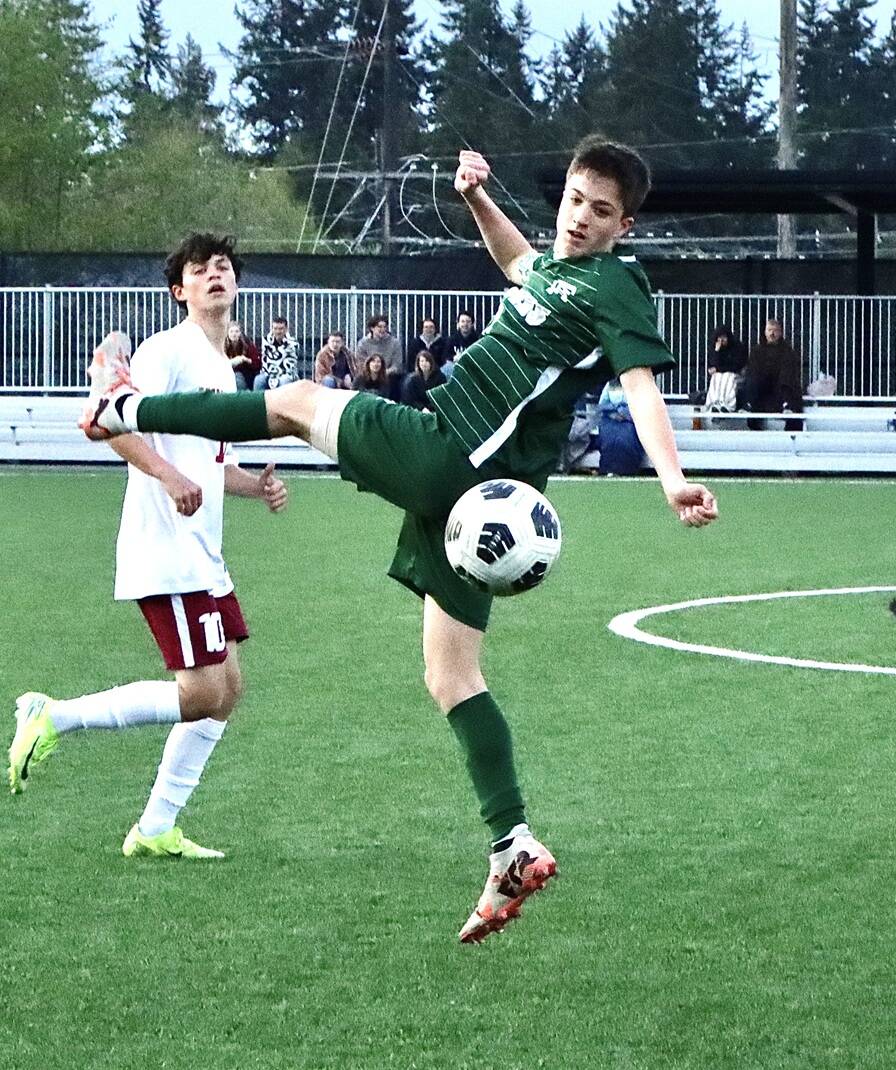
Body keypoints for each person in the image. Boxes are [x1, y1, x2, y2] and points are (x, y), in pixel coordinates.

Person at [80, 136, 719, 943]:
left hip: (449, 448)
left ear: (624, 225)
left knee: (296, 401)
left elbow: (640, 386)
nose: (581, 219)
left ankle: (124, 410)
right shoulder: (556, 275)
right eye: (574, 201)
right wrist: (477, 199)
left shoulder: (619, 286)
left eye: (600, 211)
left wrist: (671, 478)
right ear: (562, 198)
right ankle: (511, 843)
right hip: (478, 512)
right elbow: (516, 258)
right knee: (452, 675)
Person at [9, 234, 288, 863]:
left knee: (228, 689)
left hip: (203, 552)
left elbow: (209, 464)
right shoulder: (168, 350)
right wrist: (167, 476)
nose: (215, 275)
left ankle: (157, 826)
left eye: (223, 267)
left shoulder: (220, 366)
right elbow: (108, 419)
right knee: (200, 694)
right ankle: (53, 715)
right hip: (167, 548)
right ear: (179, 290)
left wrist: (256, 485)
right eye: (200, 269)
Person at [740, 319, 805, 431]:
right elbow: (752, 371)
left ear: (780, 333)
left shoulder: (788, 351)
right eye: (769, 330)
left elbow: (791, 373)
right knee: (753, 378)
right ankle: (749, 405)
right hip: (762, 389)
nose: (772, 334)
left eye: (775, 330)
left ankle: (787, 405)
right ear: (765, 332)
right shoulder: (757, 351)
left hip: (781, 388)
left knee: (786, 378)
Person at [596, 378, 644, 475]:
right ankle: (608, 469)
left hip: (631, 421)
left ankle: (627, 470)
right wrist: (614, 413)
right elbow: (602, 405)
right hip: (610, 419)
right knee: (609, 437)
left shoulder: (639, 384)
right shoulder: (610, 385)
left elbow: (643, 405)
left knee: (626, 438)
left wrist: (625, 414)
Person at [700, 324, 747, 413]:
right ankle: (713, 404)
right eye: (719, 338)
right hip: (721, 373)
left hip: (736, 373)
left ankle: (728, 405)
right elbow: (714, 364)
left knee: (728, 377)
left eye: (724, 338)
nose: (722, 340)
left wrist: (719, 369)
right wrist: (717, 351)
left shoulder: (737, 347)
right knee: (716, 377)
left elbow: (736, 366)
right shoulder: (715, 348)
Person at [255, 316, 298, 391]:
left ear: (286, 329)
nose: (278, 331)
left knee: (284, 381)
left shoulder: (293, 343)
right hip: (268, 373)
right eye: (275, 328)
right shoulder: (265, 342)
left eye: (281, 329)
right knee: (258, 380)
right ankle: (257, 402)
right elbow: (265, 362)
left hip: (286, 373)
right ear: (272, 329)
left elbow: (290, 365)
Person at [225, 320, 261, 390]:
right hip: (226, 372)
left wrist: (246, 359)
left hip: (244, 374)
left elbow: (257, 363)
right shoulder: (222, 345)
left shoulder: (247, 344)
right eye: (231, 331)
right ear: (227, 333)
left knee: (238, 378)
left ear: (240, 333)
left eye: (236, 331)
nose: (234, 334)